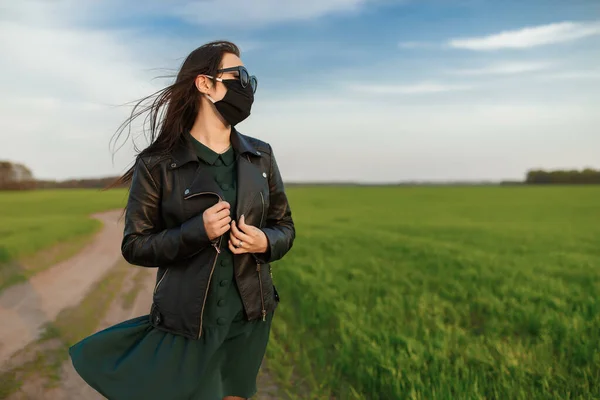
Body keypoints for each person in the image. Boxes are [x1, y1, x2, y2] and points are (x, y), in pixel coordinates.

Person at [68, 40, 295, 400]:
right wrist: (196, 231)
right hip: (189, 324)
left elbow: (285, 226)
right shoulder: (157, 163)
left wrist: (265, 242)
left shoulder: (260, 156)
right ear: (205, 84)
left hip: (250, 317)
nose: (247, 87)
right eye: (239, 76)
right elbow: (135, 245)